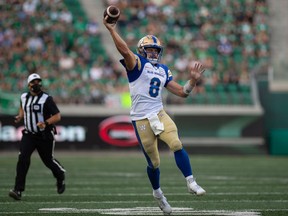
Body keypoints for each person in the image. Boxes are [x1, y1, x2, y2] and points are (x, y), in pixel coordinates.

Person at [103, 14, 206, 215]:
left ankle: (191, 181)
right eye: (149, 49)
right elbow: (124, 49)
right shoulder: (137, 64)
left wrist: (192, 81)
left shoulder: (163, 70)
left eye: (155, 50)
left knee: (176, 143)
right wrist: (112, 29)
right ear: (142, 50)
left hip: (159, 113)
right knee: (154, 162)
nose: (152, 53)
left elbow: (182, 92)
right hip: (141, 119)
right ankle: (158, 194)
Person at [9, 73, 66, 200]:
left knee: (48, 161)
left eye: (38, 82)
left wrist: (45, 123)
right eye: (33, 82)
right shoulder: (24, 97)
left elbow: (57, 116)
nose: (36, 84)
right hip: (29, 134)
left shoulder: (46, 98)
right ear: (28, 85)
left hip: (44, 135)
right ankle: (18, 190)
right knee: (23, 159)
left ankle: (60, 175)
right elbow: (23, 108)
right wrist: (20, 116)